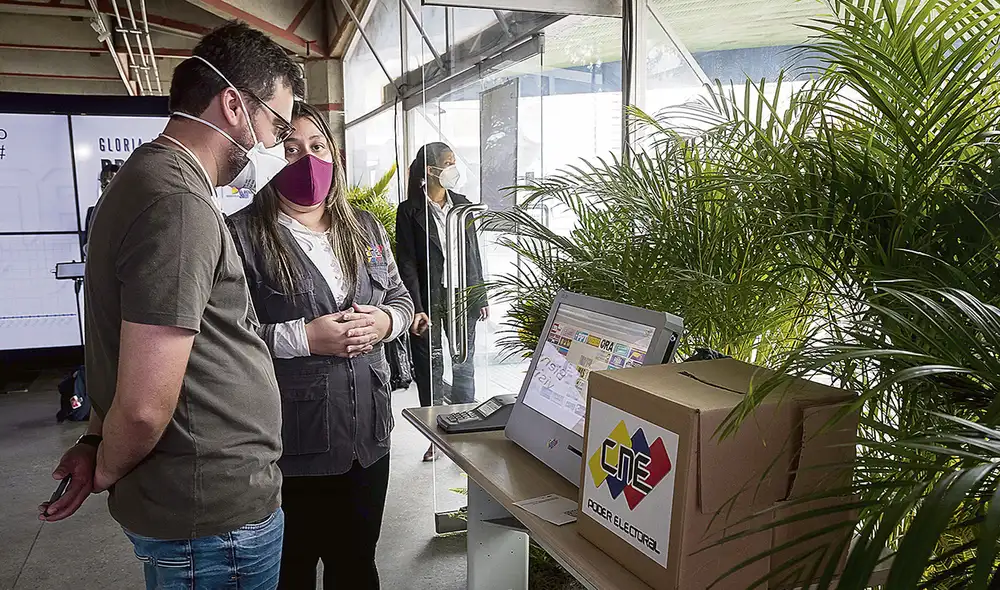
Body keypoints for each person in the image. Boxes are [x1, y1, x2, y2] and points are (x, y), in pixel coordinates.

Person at [39, 22, 302, 589]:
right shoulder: (179, 204)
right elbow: (142, 406)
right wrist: (109, 467)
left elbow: (124, 345)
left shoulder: (147, 177)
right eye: (276, 124)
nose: (275, 146)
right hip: (209, 518)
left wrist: (93, 443)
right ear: (234, 104)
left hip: (199, 507)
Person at [226, 102, 413, 589]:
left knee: (356, 566)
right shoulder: (243, 236)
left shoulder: (365, 229)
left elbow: (400, 297)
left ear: (335, 155)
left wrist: (385, 323)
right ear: (269, 159)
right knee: (293, 570)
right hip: (294, 444)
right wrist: (304, 337)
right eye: (289, 150)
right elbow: (226, 336)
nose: (306, 160)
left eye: (316, 146)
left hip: (369, 438)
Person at [396, 142, 489, 462]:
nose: (453, 168)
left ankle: (468, 428)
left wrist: (480, 295)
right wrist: (415, 307)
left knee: (464, 364)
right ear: (430, 170)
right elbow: (406, 262)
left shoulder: (462, 205)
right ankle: (434, 435)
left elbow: (473, 253)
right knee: (430, 367)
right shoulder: (409, 210)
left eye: (453, 162)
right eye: (447, 163)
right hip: (430, 297)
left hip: (462, 295)